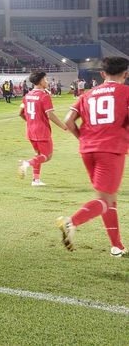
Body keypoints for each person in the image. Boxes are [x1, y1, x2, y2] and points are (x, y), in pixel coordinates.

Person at [58, 57, 129, 257]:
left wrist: (84, 139)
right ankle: (71, 222)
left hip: (88, 151)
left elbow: (68, 121)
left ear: (102, 74)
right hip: (111, 150)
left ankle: (117, 246)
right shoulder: (126, 92)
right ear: (126, 73)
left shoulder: (87, 95)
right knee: (105, 200)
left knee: (108, 199)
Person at [18, 72, 67, 186]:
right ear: (40, 81)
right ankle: (26, 164)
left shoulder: (27, 95)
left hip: (30, 131)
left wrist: (31, 121)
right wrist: (64, 126)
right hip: (42, 131)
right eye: (46, 79)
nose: (47, 81)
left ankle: (36, 180)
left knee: (38, 155)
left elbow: (20, 113)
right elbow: (50, 115)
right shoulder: (44, 96)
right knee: (47, 156)